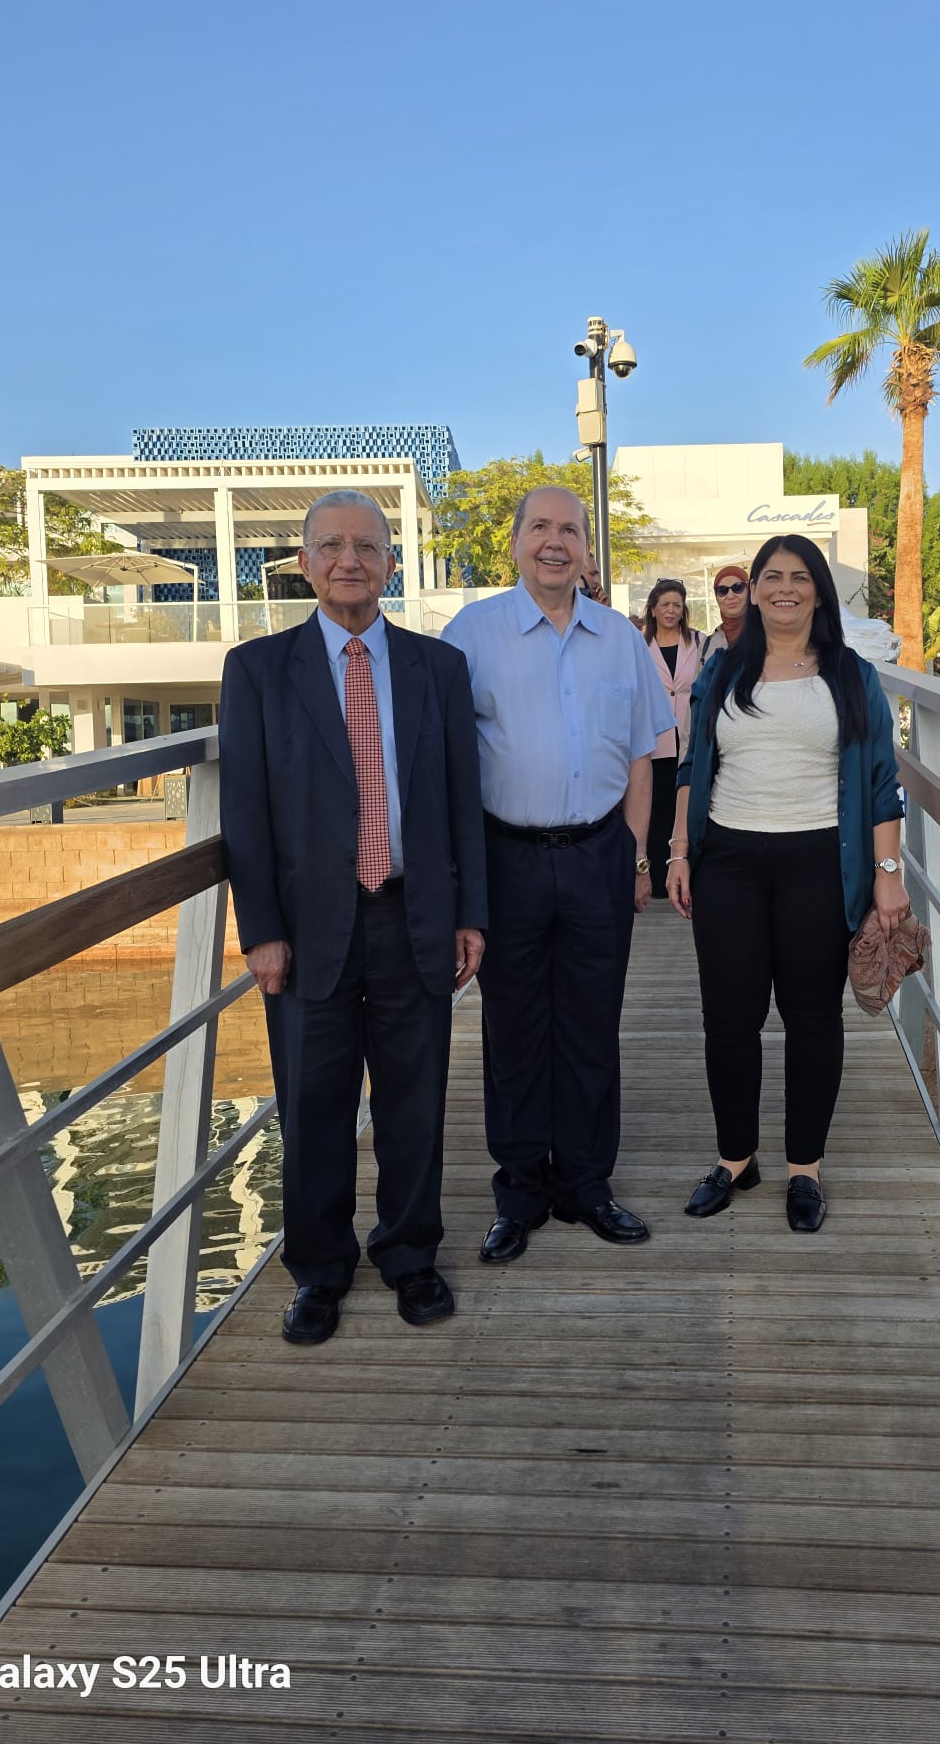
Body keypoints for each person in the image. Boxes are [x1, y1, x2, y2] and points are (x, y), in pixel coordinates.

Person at [219, 490, 487, 1345]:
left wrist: (470, 914)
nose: (349, 561)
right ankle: (319, 1271)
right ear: (304, 563)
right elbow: (245, 814)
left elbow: (462, 801)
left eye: (367, 547)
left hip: (415, 917)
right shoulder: (257, 670)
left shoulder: (438, 668)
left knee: (415, 1104)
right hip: (306, 933)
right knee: (313, 1108)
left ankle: (410, 1255)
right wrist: (261, 930)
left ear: (391, 564)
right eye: (331, 546)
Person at [443, 486, 676, 1263]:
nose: (555, 542)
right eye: (540, 527)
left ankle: (586, 1183)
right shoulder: (471, 635)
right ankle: (519, 1193)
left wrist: (635, 856)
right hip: (505, 856)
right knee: (512, 1030)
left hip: (598, 855)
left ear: (585, 549)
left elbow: (642, 754)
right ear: (515, 544)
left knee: (591, 1026)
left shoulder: (620, 640)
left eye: (569, 530)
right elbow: (444, 758)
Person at [666, 536, 908, 1234]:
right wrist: (679, 851)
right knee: (728, 1019)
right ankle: (735, 1159)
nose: (784, 588)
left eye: (799, 577)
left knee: (812, 1020)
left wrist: (888, 875)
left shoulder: (851, 675)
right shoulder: (723, 669)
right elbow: (692, 765)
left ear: (819, 591)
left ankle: (805, 1168)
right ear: (753, 589)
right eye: (770, 576)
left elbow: (881, 782)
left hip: (818, 862)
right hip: (728, 860)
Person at [642, 578, 705, 898]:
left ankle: (686, 871)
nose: (671, 610)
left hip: (688, 734)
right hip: (654, 737)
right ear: (653, 609)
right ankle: (655, 878)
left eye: (677, 605)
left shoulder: (699, 641)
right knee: (657, 807)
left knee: (686, 805)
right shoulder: (640, 644)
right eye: (665, 604)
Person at [702, 562, 750, 661]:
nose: (730, 596)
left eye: (738, 587)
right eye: (722, 590)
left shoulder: (769, 637)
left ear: (749, 592)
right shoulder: (707, 645)